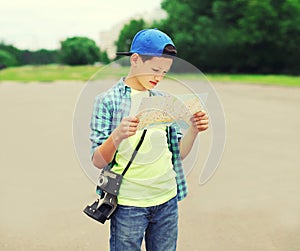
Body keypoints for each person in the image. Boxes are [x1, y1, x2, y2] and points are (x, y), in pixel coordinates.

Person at [90, 28, 209, 251]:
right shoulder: (107, 101)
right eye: (155, 69)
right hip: (128, 205)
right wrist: (117, 135)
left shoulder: (165, 101)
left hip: (167, 200)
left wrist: (193, 129)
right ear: (135, 59)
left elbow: (178, 154)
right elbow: (97, 160)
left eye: (165, 72)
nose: (159, 77)